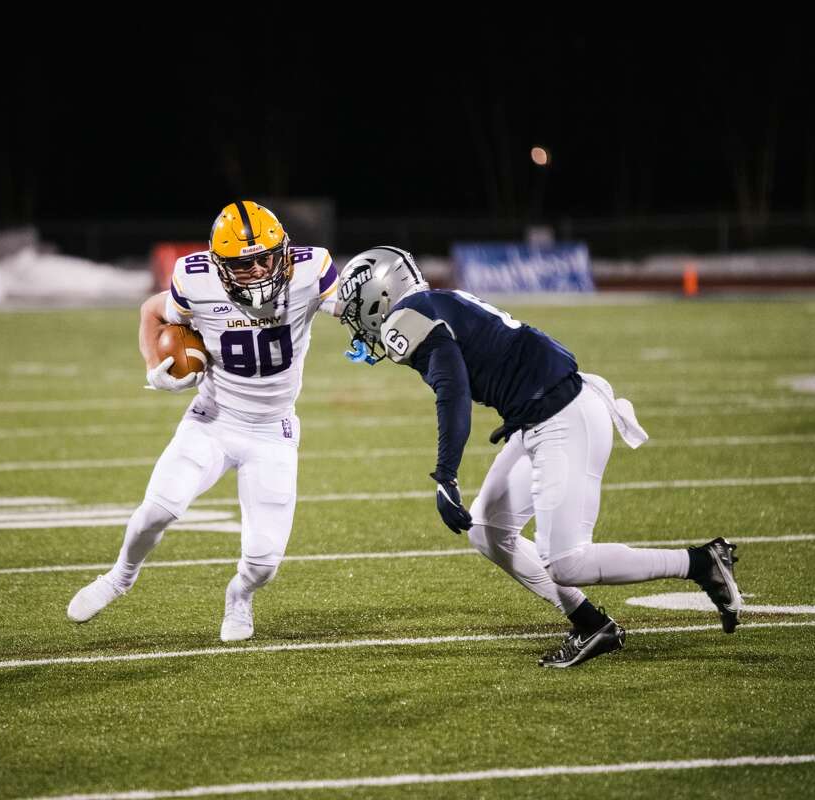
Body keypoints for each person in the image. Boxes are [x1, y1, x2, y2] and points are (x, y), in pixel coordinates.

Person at [336, 246, 742, 667]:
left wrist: (446, 474)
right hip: (542, 413)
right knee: (488, 529)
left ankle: (699, 562)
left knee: (567, 563)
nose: (356, 325)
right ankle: (590, 624)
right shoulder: (433, 302)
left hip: (562, 417)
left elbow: (451, 389)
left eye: (355, 311)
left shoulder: (406, 319)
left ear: (379, 294)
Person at [67, 201, 339, 641]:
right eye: (242, 263)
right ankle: (120, 576)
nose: (257, 270)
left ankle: (239, 597)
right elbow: (150, 312)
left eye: (265, 258)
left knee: (264, 564)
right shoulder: (195, 279)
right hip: (213, 419)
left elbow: (351, 308)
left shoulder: (311, 271)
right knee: (155, 511)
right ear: (219, 264)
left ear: (283, 251)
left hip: (274, 431)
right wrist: (156, 366)